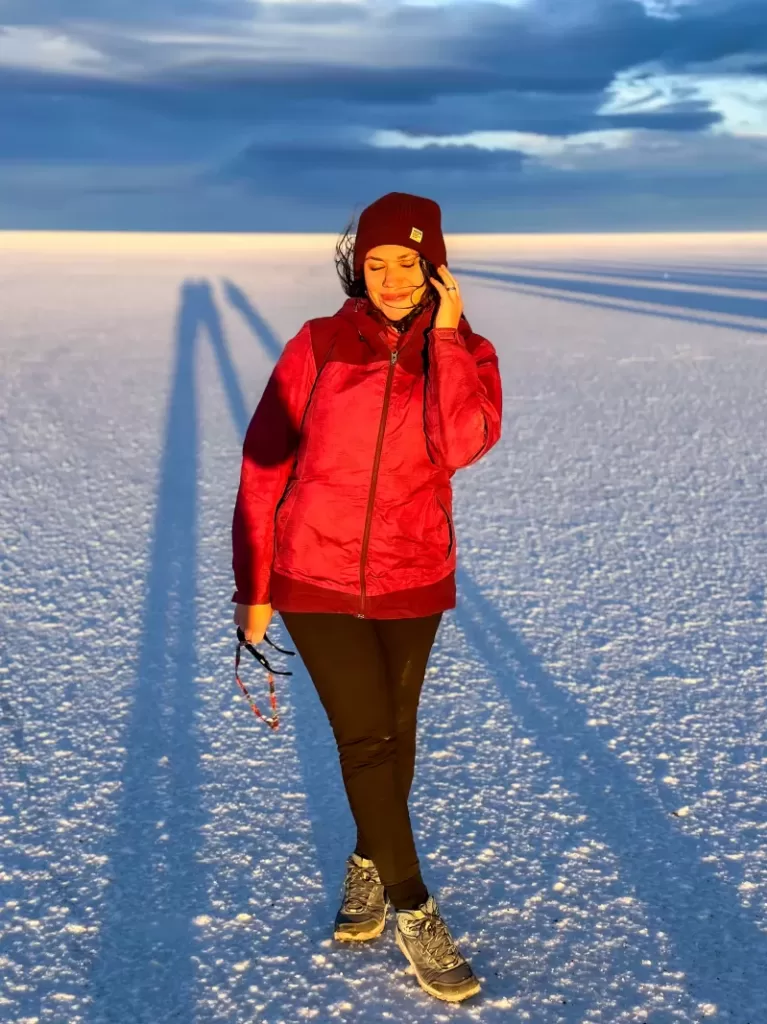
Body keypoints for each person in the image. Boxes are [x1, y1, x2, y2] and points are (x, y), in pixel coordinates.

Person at [231, 191, 503, 1003]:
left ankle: (366, 866)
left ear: (436, 269)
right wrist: (256, 585)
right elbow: (263, 466)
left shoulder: (470, 350)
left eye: (408, 264)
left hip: (412, 570)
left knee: (397, 728)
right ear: (359, 266)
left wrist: (449, 340)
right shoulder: (317, 345)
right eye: (377, 262)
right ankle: (414, 905)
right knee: (365, 738)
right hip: (312, 572)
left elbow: (461, 444)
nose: (390, 279)